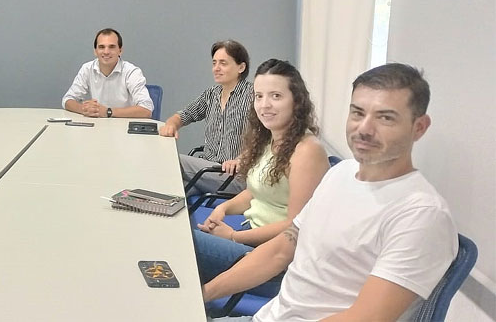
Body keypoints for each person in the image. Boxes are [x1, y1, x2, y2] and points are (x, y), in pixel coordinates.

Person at [203, 63, 458, 322]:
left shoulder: (422, 215)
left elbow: (365, 318)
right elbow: (279, 251)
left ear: (419, 127)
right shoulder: (341, 173)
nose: (364, 129)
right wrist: (203, 295)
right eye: (358, 113)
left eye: (385, 118)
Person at [192, 59, 329, 295]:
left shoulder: (307, 151)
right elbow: (257, 192)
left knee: (178, 242)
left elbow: (296, 226)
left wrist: (234, 237)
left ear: (297, 101)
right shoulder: (270, 138)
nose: (265, 105)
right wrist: (223, 208)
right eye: (259, 96)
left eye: (276, 96)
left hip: (271, 262)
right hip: (251, 238)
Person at [159, 40, 252, 194]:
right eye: (214, 63)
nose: (216, 68)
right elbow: (184, 114)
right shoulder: (211, 94)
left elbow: (266, 140)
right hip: (208, 170)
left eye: (223, 63)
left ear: (241, 67)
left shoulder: (253, 96)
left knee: (171, 158)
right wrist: (171, 125)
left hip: (234, 176)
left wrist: (242, 160)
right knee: (173, 191)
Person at [61, 28, 153, 118]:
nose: (106, 52)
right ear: (95, 51)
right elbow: (67, 100)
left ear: (120, 51)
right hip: (97, 125)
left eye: (111, 47)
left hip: (124, 125)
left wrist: (108, 112)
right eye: (101, 47)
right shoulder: (87, 69)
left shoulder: (131, 72)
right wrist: (85, 109)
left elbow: (147, 109)